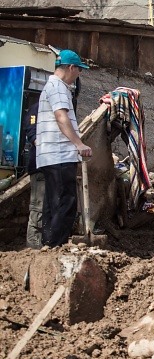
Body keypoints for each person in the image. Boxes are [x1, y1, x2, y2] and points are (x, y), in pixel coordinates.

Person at [36, 49, 92, 247]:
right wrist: (79, 144)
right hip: (59, 155)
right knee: (65, 203)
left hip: (49, 156)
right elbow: (61, 117)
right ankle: (55, 247)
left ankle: (48, 245)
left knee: (53, 205)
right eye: (79, 70)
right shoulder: (59, 88)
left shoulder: (49, 87)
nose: (79, 74)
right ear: (70, 67)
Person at [23, 102, 45, 249]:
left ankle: (44, 243)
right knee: (38, 207)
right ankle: (33, 247)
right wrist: (41, 144)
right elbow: (31, 129)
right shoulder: (37, 108)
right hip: (39, 166)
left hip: (52, 167)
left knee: (47, 207)